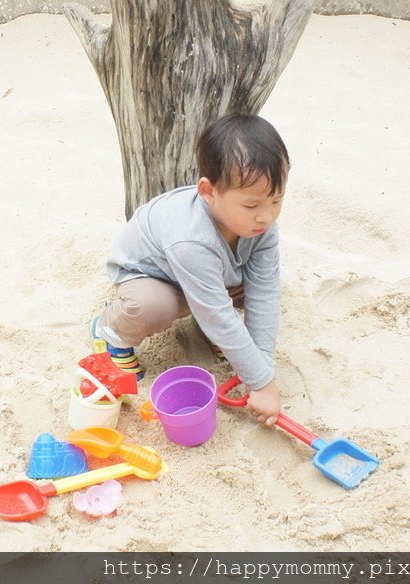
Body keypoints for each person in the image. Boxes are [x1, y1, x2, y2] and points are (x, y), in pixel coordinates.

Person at [90, 112, 288, 426]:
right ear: (209, 192)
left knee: (252, 289)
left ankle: (211, 328)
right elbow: (216, 312)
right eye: (251, 206)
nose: (266, 217)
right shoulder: (190, 238)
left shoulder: (261, 228)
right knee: (154, 308)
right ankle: (110, 330)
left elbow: (265, 294)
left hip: (204, 276)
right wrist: (262, 384)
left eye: (276, 201)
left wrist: (260, 368)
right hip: (149, 275)